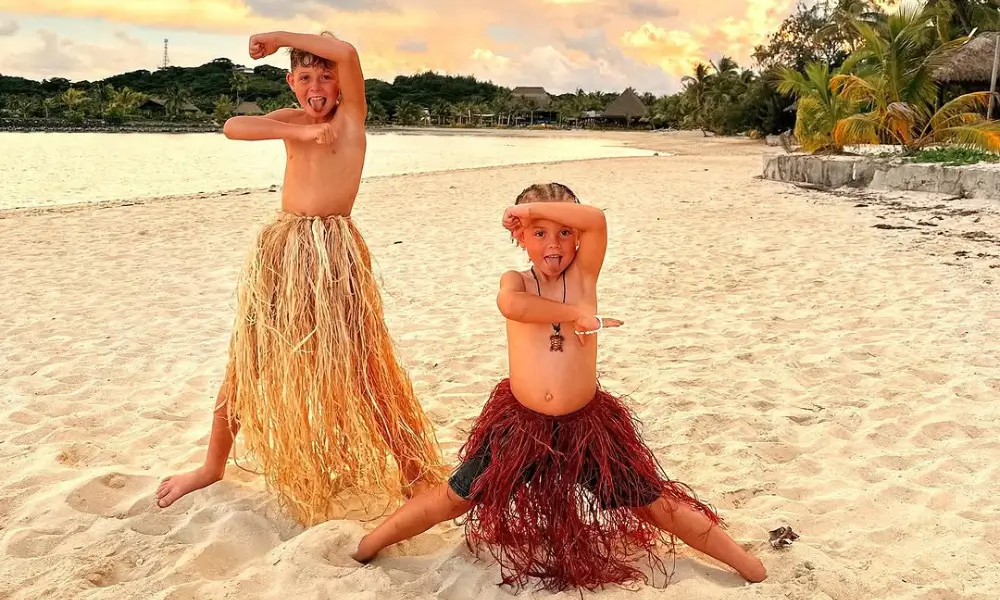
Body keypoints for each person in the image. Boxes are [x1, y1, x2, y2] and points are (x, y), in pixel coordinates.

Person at [350, 183, 767, 591]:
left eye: (564, 231)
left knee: (652, 502)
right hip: (520, 427)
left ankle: (749, 567)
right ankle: (367, 547)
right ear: (520, 238)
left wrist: (531, 214)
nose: (554, 242)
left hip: (586, 429)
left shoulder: (585, 275)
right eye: (539, 232)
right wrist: (574, 315)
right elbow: (511, 307)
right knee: (455, 497)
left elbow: (597, 219)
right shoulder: (517, 280)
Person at [155, 30, 447, 526]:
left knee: (362, 366)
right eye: (306, 76)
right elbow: (232, 126)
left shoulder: (352, 119)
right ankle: (211, 465)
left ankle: (414, 469)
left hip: (333, 255)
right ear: (291, 83)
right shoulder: (291, 121)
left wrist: (279, 37)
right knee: (246, 360)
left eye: (326, 77)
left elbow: (350, 52)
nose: (317, 86)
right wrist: (299, 132)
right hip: (283, 252)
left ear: (342, 84)